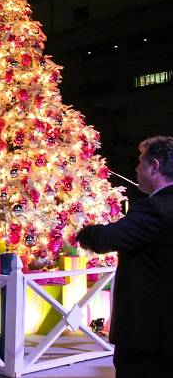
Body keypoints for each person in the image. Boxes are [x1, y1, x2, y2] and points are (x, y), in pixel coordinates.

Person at [77, 136, 173, 377]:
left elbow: (105, 239)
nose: (136, 169)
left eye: (140, 162)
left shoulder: (155, 208)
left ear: (155, 166)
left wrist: (80, 230)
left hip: (149, 336)